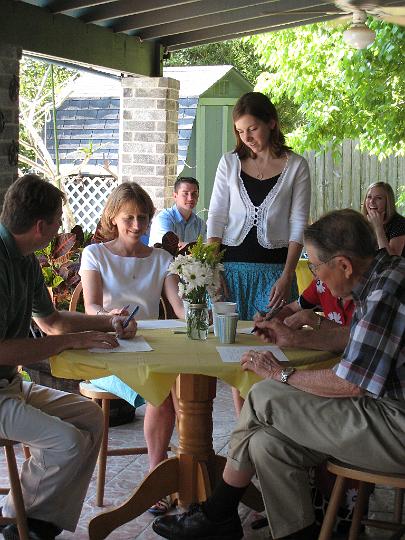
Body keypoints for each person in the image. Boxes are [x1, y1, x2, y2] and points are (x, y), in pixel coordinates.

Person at [152, 209, 405, 540]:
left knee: (264, 395)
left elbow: (350, 383)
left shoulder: (384, 292)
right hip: (384, 413)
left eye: (315, 267)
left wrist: (282, 374)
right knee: (265, 443)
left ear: (344, 265)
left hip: (395, 424)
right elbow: (361, 341)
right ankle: (292, 531)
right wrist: (298, 338)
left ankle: (218, 515)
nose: (316, 277)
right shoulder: (385, 273)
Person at [0, 174, 136, 540]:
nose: (62, 230)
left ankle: (38, 523)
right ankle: (15, 521)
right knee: (67, 441)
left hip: (9, 387)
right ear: (41, 226)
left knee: (91, 418)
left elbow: (53, 321)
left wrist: (108, 323)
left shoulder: (25, 258)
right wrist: (72, 342)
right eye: (59, 222)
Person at [79, 182, 184, 515]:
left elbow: (179, 307)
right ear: (114, 217)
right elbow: (91, 307)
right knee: (165, 390)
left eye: (143, 217)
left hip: (150, 348)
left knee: (188, 388)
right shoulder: (94, 254)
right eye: (129, 218)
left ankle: (185, 468)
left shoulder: (162, 259)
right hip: (109, 346)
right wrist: (110, 318)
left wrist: (199, 308)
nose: (137, 226)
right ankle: (160, 473)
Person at [207, 92, 311, 321]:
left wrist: (287, 275)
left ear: (271, 123)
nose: (247, 137)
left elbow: (299, 223)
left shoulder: (296, 166)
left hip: (275, 275)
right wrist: (212, 269)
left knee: (271, 343)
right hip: (229, 273)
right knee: (223, 344)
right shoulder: (228, 163)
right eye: (240, 131)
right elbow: (216, 216)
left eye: (252, 129)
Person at [148, 177, 207, 251]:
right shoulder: (164, 218)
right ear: (175, 196)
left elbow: (207, 249)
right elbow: (170, 248)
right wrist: (196, 247)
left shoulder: (200, 224)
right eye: (185, 193)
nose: (190, 198)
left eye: (194, 194)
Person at [362, 181, 405, 256]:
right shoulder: (363, 222)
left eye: (378, 198)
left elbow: (392, 260)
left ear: (387, 202)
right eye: (369, 197)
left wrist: (378, 227)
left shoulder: (399, 223)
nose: (372, 201)